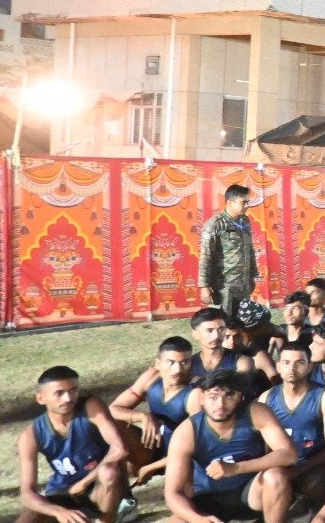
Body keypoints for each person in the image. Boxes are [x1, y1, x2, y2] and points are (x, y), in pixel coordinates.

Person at [161, 370, 297, 523]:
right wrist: (199, 521)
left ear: (240, 397)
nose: (220, 404)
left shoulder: (256, 411)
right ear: (202, 398)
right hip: (207, 499)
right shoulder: (188, 430)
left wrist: (237, 468)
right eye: (213, 396)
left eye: (229, 396)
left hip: (249, 493)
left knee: (276, 476)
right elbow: (172, 493)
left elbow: (288, 454)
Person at [11, 366, 129, 523]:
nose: (68, 397)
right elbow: (27, 494)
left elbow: (119, 449)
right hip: (64, 492)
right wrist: (59, 512)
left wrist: (84, 482)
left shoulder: (90, 406)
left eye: (73, 390)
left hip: (100, 485)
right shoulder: (30, 435)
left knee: (109, 472)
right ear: (41, 398)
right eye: (59, 393)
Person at [110, 336, 200, 490]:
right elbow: (113, 409)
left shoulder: (195, 392)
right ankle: (125, 497)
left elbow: (197, 445)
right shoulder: (151, 377)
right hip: (152, 448)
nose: (177, 370)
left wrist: (150, 468)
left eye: (184, 362)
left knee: (186, 496)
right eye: (170, 362)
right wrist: (142, 416)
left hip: (183, 457)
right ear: (158, 364)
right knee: (112, 427)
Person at [265, 340, 325, 503]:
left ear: (310, 367)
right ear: (278, 367)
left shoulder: (324, 396)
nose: (292, 369)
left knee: (317, 482)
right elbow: (262, 444)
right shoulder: (267, 397)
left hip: (312, 464)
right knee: (268, 480)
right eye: (286, 363)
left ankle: (314, 511)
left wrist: (298, 470)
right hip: (279, 464)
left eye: (299, 362)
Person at [198, 184, 259, 318]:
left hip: (243, 284)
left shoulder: (245, 221)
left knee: (243, 324)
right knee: (224, 324)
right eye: (243, 202)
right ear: (230, 202)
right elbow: (205, 256)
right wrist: (204, 286)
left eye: (248, 202)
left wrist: (253, 274)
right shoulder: (216, 224)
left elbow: (249, 248)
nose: (247, 205)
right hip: (224, 287)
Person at [188, 306, 255, 382]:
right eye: (209, 331)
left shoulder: (242, 362)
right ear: (195, 334)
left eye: (221, 329)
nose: (216, 335)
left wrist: (196, 380)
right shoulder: (189, 364)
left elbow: (231, 389)